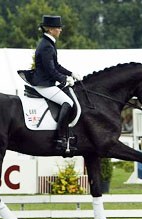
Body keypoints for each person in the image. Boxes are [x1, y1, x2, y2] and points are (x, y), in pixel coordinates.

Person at [32, 15, 82, 150]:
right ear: (50, 29)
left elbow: (57, 66)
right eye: (58, 28)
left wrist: (71, 74)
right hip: (44, 84)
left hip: (47, 82)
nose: (60, 30)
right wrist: (65, 79)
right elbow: (51, 71)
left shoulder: (49, 43)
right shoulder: (47, 46)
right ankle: (60, 138)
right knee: (68, 102)